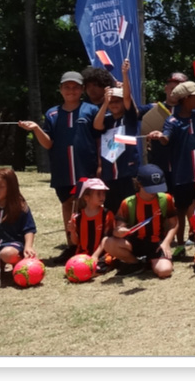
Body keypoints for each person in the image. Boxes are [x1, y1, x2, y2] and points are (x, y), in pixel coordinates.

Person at [18, 70, 98, 262]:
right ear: (60, 90)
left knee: (86, 204)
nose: (71, 90)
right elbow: (48, 143)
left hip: (85, 167)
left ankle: (88, 245)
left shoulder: (91, 110)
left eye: (75, 87)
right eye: (67, 87)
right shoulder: (52, 113)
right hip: (63, 168)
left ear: (82, 89)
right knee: (67, 204)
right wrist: (36, 129)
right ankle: (71, 246)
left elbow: (98, 139)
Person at [146, 80, 195, 250]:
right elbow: (166, 138)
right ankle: (180, 245)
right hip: (183, 175)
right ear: (186, 98)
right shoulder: (172, 121)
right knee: (181, 210)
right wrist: (160, 136)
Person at [90, 59, 147, 214]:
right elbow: (96, 126)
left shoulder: (129, 119)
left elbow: (127, 98)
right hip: (109, 173)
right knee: (112, 210)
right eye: (112, 102)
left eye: (118, 101)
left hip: (127, 172)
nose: (114, 104)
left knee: (130, 209)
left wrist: (124, 74)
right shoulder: (107, 120)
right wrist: (105, 103)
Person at [103, 164, 177, 278]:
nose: (154, 192)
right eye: (150, 188)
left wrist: (166, 242)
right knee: (107, 242)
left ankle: (151, 260)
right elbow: (117, 230)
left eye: (157, 187)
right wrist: (120, 231)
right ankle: (136, 264)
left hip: (157, 243)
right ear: (139, 184)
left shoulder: (166, 199)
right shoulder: (128, 203)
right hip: (134, 243)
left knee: (165, 271)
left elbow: (174, 224)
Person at [68, 177, 114, 273]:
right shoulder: (78, 217)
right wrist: (72, 231)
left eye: (103, 193)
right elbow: (76, 242)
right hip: (83, 255)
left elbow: (107, 239)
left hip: (102, 254)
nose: (102, 196)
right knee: (74, 271)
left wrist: (95, 256)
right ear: (86, 197)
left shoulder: (107, 215)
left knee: (93, 270)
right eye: (98, 194)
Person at [140, 71, 189, 160]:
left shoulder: (187, 111)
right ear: (165, 88)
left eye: (180, 90)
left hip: (181, 160)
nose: (176, 92)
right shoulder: (154, 108)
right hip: (159, 159)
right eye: (173, 88)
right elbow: (132, 112)